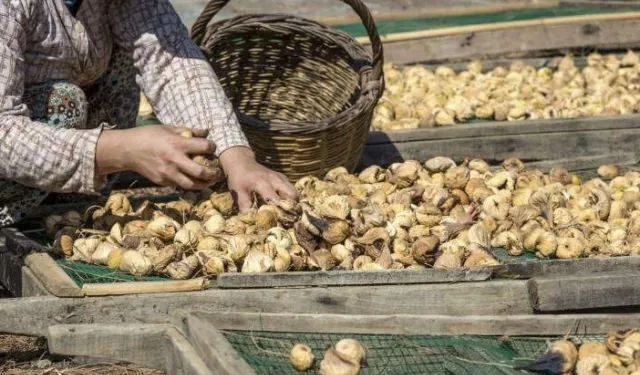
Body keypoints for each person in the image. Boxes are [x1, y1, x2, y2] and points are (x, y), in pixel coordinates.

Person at [0, 0, 297, 227]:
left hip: (63, 157)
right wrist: (122, 149)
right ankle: (16, 220)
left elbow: (168, 60)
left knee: (122, 67)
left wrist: (238, 157)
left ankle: (70, 211)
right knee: (64, 103)